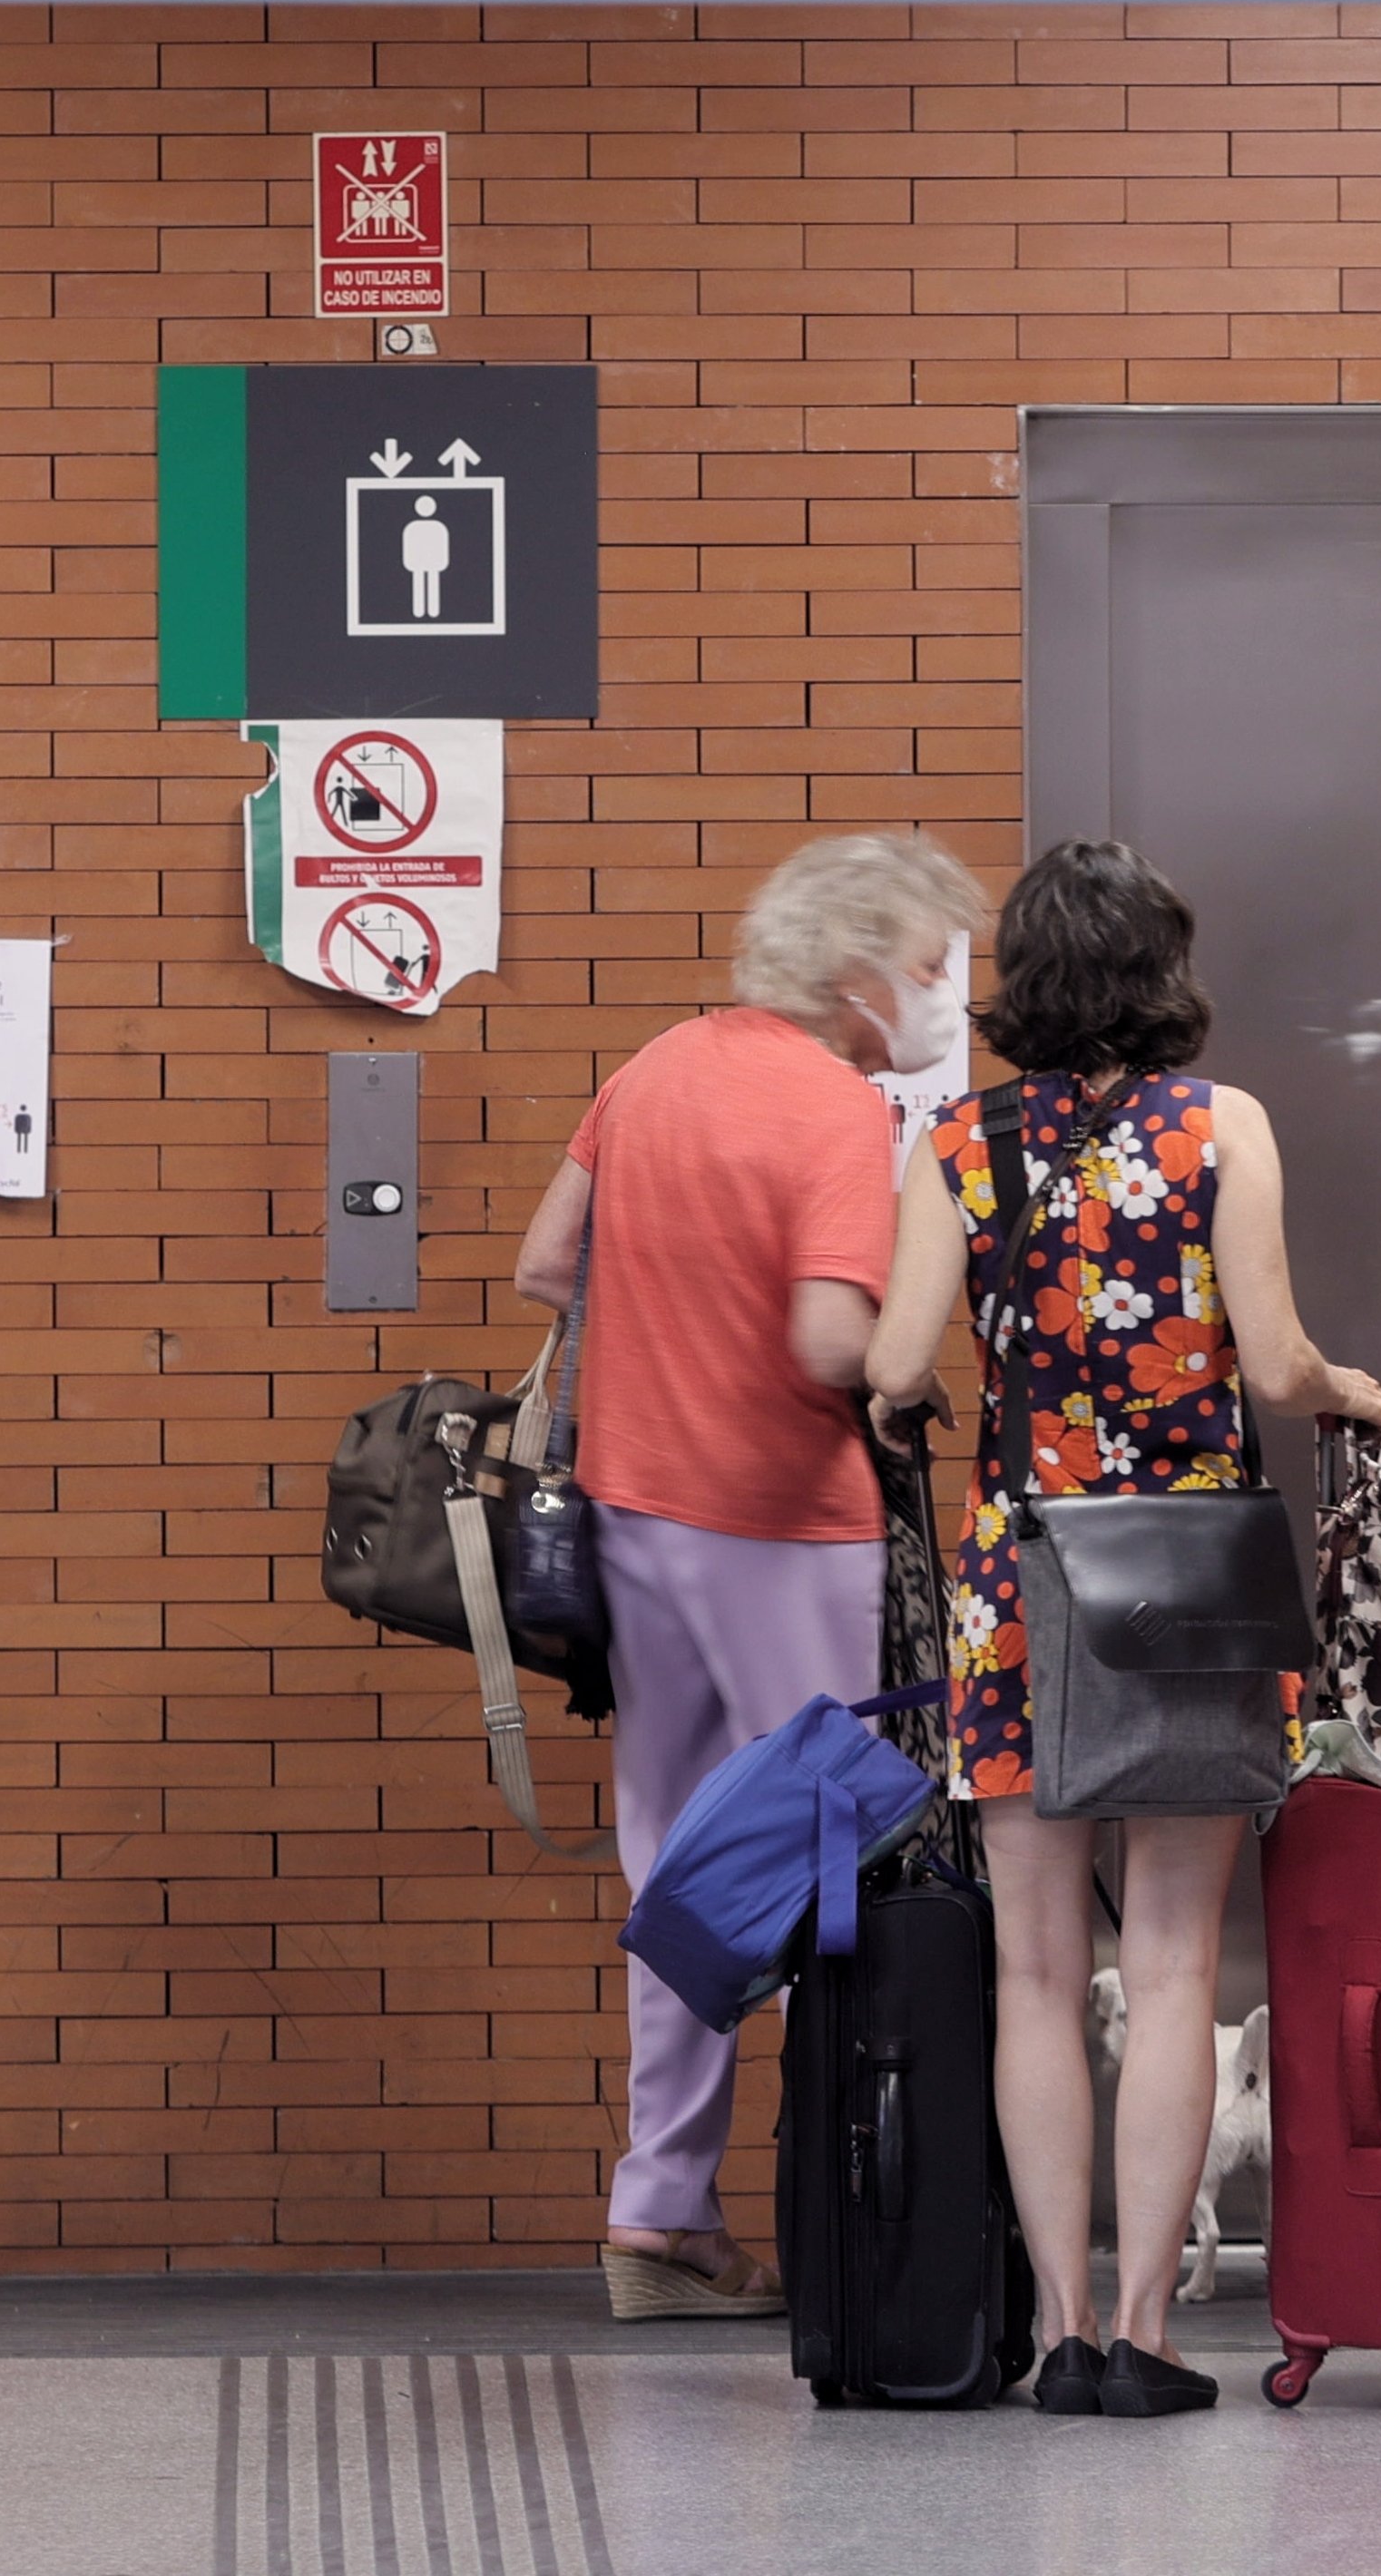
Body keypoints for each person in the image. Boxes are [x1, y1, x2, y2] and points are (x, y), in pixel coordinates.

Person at [861, 839, 1381, 2417]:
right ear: (1160, 971)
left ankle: (1061, 2323)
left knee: (1035, 1969)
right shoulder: (1218, 1127)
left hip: (1016, 1584)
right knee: (1167, 1965)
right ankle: (1149, 2338)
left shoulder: (960, 1141)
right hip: (1186, 1586)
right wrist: (1344, 1389)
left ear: (1022, 979)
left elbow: (893, 1360)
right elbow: (1278, 1353)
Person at [512, 828, 987, 2321]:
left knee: (678, 1861)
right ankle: (858, 2206)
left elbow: (545, 1262)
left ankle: (660, 2205)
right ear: (854, 972)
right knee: (836, 1861)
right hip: (785, 1523)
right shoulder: (837, 1112)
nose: (930, 995)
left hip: (633, 1513)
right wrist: (917, 1343)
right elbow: (832, 1345)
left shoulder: (650, 1068)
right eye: (921, 966)